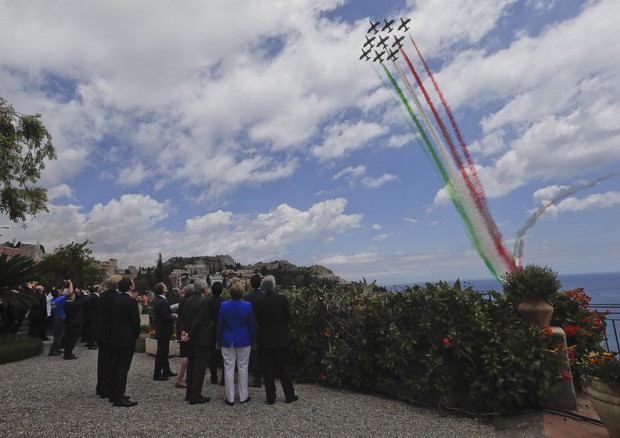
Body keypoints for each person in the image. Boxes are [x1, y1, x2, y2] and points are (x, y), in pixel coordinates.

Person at [253, 275, 298, 405]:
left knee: (268, 369)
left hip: (265, 339)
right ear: (274, 285)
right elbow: (288, 317)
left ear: (263, 287)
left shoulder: (258, 302)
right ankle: (289, 395)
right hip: (281, 338)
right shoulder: (282, 299)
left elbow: (257, 321)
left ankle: (270, 397)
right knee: (285, 366)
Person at [216, 280, 256, 406]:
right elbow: (251, 325)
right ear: (242, 293)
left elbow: (219, 325)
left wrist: (217, 339)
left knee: (228, 368)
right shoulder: (248, 306)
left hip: (227, 339)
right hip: (244, 339)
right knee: (243, 368)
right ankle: (243, 396)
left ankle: (230, 398)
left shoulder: (223, 305)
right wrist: (254, 339)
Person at [108, 277, 140, 407]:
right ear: (130, 286)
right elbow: (135, 320)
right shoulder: (130, 300)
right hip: (126, 338)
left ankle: (114, 394)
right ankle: (119, 397)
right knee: (123, 368)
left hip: (116, 337)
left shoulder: (117, 299)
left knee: (115, 366)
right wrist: (136, 335)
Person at [181, 279, 212, 405]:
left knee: (192, 365)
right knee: (199, 367)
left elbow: (183, 318)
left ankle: (189, 393)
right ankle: (196, 395)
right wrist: (189, 334)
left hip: (191, 339)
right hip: (200, 339)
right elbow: (198, 322)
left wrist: (184, 332)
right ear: (204, 289)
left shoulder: (189, 300)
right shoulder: (202, 302)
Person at [95, 275, 122, 399]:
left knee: (102, 360)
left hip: (101, 331)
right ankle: (107, 388)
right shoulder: (117, 297)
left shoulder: (102, 295)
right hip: (111, 332)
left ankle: (100, 386)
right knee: (111, 361)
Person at [152, 282, 178, 381]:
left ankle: (166, 370)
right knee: (161, 353)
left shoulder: (159, 300)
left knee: (164, 352)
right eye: (165, 286)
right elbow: (165, 317)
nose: (167, 287)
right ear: (163, 290)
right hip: (163, 330)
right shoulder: (162, 301)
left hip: (162, 330)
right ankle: (157, 374)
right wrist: (173, 316)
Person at [244, 274, 265, 388]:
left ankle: (257, 378)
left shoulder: (247, 297)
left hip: (252, 327)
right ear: (260, 283)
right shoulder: (264, 294)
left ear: (251, 284)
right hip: (265, 328)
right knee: (265, 353)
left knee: (255, 354)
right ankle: (266, 376)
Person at [174, 284, 193, 389]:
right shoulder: (188, 301)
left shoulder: (183, 301)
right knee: (186, 355)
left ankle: (183, 378)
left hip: (181, 329)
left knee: (186, 354)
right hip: (185, 331)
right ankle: (180, 379)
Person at [207, 281, 225, 385]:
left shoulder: (207, 302)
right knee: (225, 357)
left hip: (212, 331)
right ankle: (224, 379)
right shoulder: (225, 302)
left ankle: (214, 377)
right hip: (223, 331)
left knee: (213, 356)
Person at [49, 280, 72, 356]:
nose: (60, 291)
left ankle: (56, 348)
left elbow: (58, 292)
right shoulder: (60, 300)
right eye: (59, 291)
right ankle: (53, 351)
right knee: (59, 335)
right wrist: (70, 283)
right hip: (61, 318)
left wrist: (64, 285)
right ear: (58, 294)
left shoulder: (53, 299)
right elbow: (70, 292)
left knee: (56, 334)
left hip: (56, 317)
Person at [63, 289, 86, 360]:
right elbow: (83, 301)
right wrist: (84, 294)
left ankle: (67, 353)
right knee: (72, 340)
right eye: (73, 296)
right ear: (71, 297)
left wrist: (78, 293)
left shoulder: (66, 303)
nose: (74, 297)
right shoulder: (73, 305)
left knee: (68, 339)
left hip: (69, 323)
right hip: (75, 324)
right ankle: (68, 354)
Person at [84, 284, 101, 349]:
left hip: (91, 315)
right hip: (93, 316)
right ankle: (91, 344)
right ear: (97, 289)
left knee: (90, 330)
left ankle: (90, 342)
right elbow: (98, 306)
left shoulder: (92, 296)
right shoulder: (95, 297)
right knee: (92, 331)